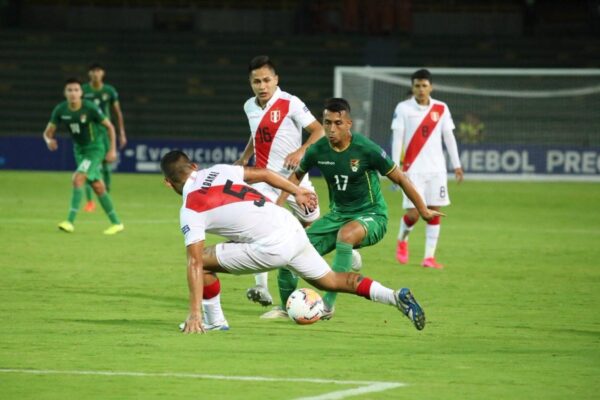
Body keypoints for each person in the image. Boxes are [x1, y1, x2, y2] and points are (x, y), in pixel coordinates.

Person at [160, 150, 426, 333]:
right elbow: (264, 173)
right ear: (194, 166)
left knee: (202, 262)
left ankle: (212, 321)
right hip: (290, 225)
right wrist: (297, 190)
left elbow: (194, 262)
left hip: (272, 246)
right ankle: (394, 297)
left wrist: (193, 312)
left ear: (168, 184)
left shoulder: (191, 208)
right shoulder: (218, 170)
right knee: (332, 280)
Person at [267, 97, 442, 320]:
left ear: (349, 124)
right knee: (290, 254)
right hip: (337, 216)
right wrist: (279, 206)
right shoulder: (317, 150)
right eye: (327, 122)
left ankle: (328, 306)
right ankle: (290, 308)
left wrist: (424, 210)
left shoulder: (366, 149)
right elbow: (295, 177)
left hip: (372, 215)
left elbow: (401, 178)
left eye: (337, 123)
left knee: (346, 235)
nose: (331, 128)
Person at [235, 55, 325, 308]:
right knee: (259, 228)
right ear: (250, 83)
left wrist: (301, 151)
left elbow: (319, 130)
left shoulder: (291, 102)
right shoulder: (249, 106)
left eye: (266, 80)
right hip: (263, 179)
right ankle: (262, 287)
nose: (262, 86)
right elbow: (256, 134)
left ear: (276, 80)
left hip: (295, 179)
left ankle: (346, 255)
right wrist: (244, 158)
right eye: (256, 81)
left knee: (313, 226)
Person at [391, 69, 463, 269]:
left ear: (431, 87)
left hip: (437, 170)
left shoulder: (441, 108)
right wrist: (394, 168)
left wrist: (456, 165)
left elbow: (449, 137)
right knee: (414, 214)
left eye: (424, 86)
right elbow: (397, 138)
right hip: (411, 170)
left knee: (434, 211)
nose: (421, 90)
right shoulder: (403, 108)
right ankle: (402, 239)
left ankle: (429, 258)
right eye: (417, 86)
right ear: (412, 87)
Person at [42, 78, 124, 235]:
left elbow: (110, 127)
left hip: (95, 149)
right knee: (98, 186)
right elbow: (47, 133)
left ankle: (69, 221)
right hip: (79, 151)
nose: (73, 93)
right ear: (65, 93)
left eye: (76, 90)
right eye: (69, 90)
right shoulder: (60, 110)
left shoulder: (90, 108)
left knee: (78, 178)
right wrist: (48, 140)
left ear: (81, 93)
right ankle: (117, 223)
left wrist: (112, 150)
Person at [81, 62, 128, 212]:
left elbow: (117, 112)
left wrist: (121, 133)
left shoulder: (109, 91)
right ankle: (89, 202)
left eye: (98, 71)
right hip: (89, 131)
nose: (95, 73)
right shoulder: (83, 90)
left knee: (107, 165)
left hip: (105, 131)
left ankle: (105, 194)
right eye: (93, 71)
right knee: (88, 166)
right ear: (89, 74)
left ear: (103, 73)